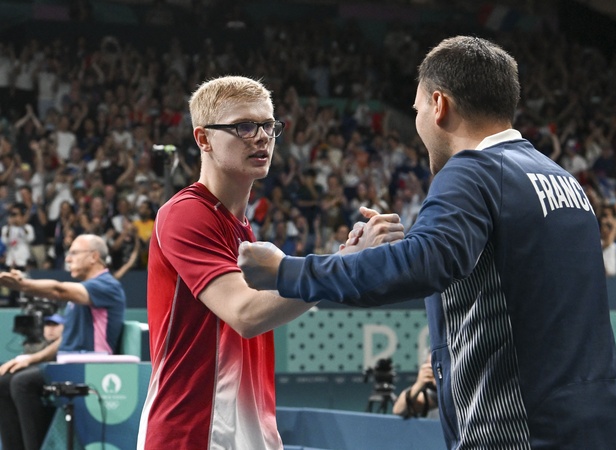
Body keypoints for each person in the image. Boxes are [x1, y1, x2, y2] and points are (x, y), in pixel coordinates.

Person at [238, 36, 616, 449]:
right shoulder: (561, 179)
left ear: (439, 105)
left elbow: (424, 265)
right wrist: (406, 246)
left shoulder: (472, 170)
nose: (418, 122)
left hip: (521, 434)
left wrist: (285, 271)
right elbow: (517, 287)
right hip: (600, 429)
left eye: (417, 109)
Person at [135, 75, 401, 450]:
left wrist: (346, 261)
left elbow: (271, 308)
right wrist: (342, 264)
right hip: (191, 434)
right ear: (203, 139)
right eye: (244, 126)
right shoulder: (186, 213)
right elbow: (245, 313)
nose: (261, 137)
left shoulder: (244, 230)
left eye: (268, 126)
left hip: (249, 433)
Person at [0, 233, 126, 450]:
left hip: (91, 366)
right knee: (4, 381)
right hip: (68, 364)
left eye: (74, 253)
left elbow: (58, 289)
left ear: (94, 257)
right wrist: (30, 358)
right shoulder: (83, 292)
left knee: (22, 383)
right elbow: (65, 340)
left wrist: (23, 285)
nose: (67, 259)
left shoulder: (107, 286)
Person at [392, 354, 438, 419]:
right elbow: (399, 410)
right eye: (433, 369)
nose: (438, 373)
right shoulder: (435, 395)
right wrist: (419, 385)